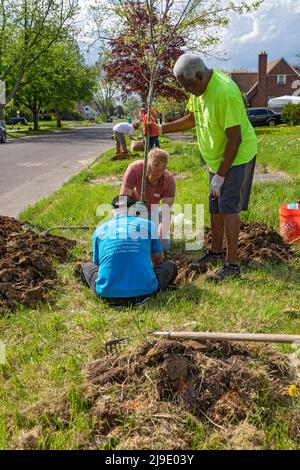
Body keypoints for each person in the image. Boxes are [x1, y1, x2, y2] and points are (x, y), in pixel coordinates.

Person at [148, 53, 257, 281]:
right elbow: (191, 118)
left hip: (235, 157)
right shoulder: (198, 91)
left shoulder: (225, 92)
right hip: (216, 160)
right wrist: (161, 129)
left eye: (188, 85)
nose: (187, 91)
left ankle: (232, 266)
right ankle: (216, 252)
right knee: (215, 205)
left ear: (199, 75)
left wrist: (221, 174)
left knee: (228, 205)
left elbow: (235, 139)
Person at [80, 195, 177, 306]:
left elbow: (98, 264)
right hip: (145, 293)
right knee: (171, 266)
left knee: (86, 267)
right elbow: (158, 261)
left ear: (112, 211)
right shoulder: (150, 226)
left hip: (108, 295)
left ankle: (109, 291)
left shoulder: (99, 230)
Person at [121, 149, 175, 251]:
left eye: (156, 174)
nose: (150, 177)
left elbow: (166, 214)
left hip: (152, 210)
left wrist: (158, 240)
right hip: (132, 209)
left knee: (164, 246)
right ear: (146, 164)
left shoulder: (169, 180)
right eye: (149, 171)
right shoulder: (134, 168)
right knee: (130, 242)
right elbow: (123, 201)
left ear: (163, 171)